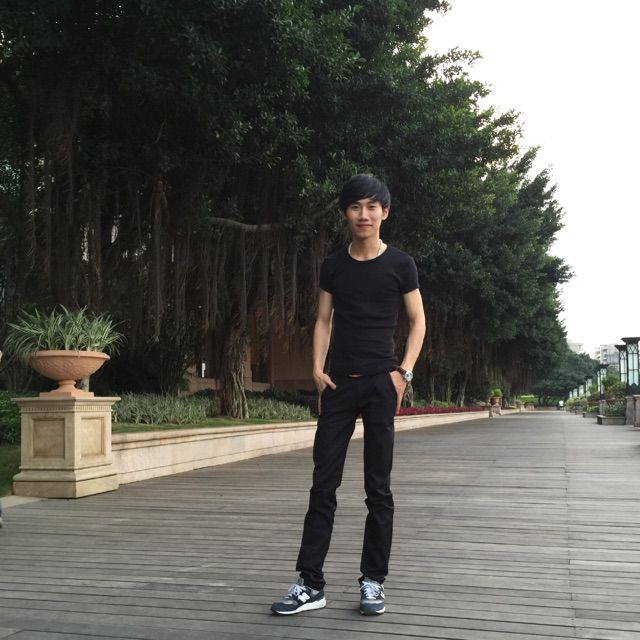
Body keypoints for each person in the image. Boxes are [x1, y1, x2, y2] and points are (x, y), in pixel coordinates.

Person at [271, 174, 426, 616]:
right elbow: (323, 320)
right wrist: (317, 371)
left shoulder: (401, 264)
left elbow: (418, 322)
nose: (364, 214)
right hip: (338, 384)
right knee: (323, 484)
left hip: (381, 384)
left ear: (385, 213)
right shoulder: (333, 265)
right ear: (346, 213)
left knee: (378, 488)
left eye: (372, 206)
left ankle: (373, 581)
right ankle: (310, 584)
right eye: (356, 206)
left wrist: (403, 374)